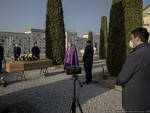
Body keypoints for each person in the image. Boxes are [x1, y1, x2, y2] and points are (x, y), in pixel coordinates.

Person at [117, 27, 150, 113]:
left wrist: (118, 81)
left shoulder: (135, 55)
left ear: (137, 39)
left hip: (136, 102)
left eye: (132, 38)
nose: (131, 41)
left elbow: (122, 78)